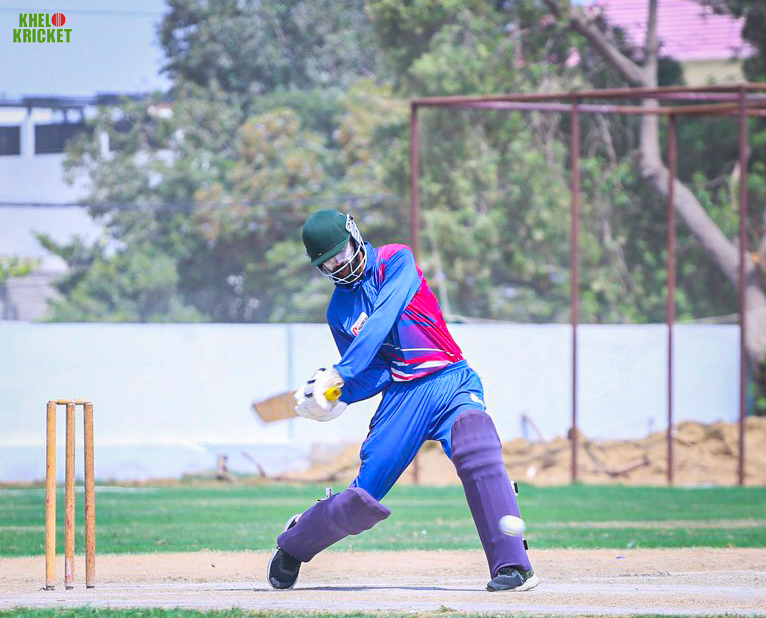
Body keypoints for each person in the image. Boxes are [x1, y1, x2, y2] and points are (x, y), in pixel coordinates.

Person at [267, 209, 538, 593]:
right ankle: (296, 541)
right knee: (361, 500)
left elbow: (382, 318)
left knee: (477, 446)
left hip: (450, 379)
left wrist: (340, 373)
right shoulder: (339, 311)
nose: (338, 265)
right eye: (327, 262)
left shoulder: (396, 260)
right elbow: (377, 371)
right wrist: (335, 395)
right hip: (402, 400)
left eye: (341, 253)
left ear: (354, 236)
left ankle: (512, 565)